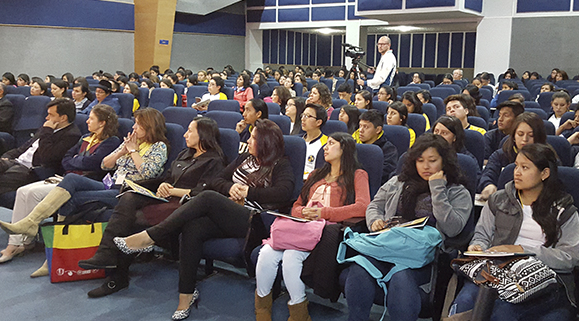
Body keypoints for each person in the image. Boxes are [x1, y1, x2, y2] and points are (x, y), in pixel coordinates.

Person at [112, 119, 294, 320]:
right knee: (194, 226)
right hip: (228, 213)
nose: (249, 141)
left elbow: (283, 193)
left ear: (266, 142)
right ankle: (186, 294)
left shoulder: (280, 164)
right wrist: (230, 188)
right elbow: (218, 181)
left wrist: (248, 192)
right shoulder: (244, 158)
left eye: (253, 138)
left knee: (207, 197)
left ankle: (151, 236)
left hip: (255, 221)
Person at [76, 116, 226, 298]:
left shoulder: (214, 161)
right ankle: (106, 254)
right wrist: (163, 185)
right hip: (166, 198)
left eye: (190, 131)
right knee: (129, 197)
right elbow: (169, 177)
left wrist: (173, 190)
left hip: (186, 206)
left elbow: (205, 193)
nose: (185, 135)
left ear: (202, 135)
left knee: (131, 220)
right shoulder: (185, 154)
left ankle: (116, 276)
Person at [341, 133, 473, 321]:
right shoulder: (399, 182)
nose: (426, 166)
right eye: (420, 161)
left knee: (401, 276)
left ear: (445, 161)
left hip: (422, 257)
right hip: (388, 246)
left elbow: (453, 229)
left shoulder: (457, 191)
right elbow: (375, 205)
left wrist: (437, 188)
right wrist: (375, 221)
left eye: (432, 160)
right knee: (359, 268)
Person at [452, 143, 579, 320]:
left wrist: (523, 251)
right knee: (464, 301)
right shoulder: (498, 200)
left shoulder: (564, 209)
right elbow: (482, 234)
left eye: (525, 167)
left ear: (544, 173)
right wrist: (478, 246)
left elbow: (568, 258)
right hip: (496, 271)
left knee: (503, 311)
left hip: (542, 277)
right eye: (516, 166)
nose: (517, 172)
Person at [256, 132, 370, 321]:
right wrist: (303, 214)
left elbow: (363, 207)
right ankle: (262, 310)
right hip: (301, 228)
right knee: (266, 253)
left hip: (325, 233)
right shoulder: (317, 174)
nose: (325, 147)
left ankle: (299, 314)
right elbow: (297, 206)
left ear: (345, 149)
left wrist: (322, 213)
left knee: (292, 256)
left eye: (331, 144)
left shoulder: (358, 175)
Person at [0, 105, 121, 263]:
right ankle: (22, 242)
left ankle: (18, 240)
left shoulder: (111, 141)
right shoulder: (85, 137)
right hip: (65, 177)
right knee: (23, 191)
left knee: (34, 193)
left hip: (86, 181)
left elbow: (93, 163)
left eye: (91, 118)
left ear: (102, 123)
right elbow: (66, 160)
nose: (87, 121)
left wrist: (75, 161)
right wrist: (76, 161)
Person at [0, 99, 80, 196]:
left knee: (2, 181)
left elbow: (47, 157)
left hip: (32, 170)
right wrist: (7, 156)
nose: (47, 117)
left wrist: (47, 131)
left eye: (51, 115)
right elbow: (24, 148)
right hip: (17, 161)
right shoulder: (47, 128)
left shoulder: (71, 135)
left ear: (63, 118)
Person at [479, 112, 547, 200]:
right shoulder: (500, 155)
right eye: (520, 134)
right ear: (514, 136)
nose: (524, 139)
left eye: (531, 135)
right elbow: (488, 174)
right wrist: (488, 185)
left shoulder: (547, 157)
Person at [352, 109, 398, 185]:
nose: (361, 130)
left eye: (366, 127)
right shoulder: (353, 144)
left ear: (378, 130)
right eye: (360, 126)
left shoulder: (389, 150)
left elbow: (382, 176)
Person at [301, 103, 328, 179]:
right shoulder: (297, 141)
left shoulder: (327, 143)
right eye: (303, 115)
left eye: (308, 116)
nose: (303, 119)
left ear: (318, 122)